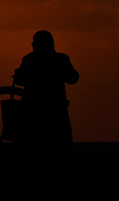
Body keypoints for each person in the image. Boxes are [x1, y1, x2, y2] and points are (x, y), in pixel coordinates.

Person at [13, 30, 79, 161]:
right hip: (53, 111)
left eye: (35, 42)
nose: (32, 44)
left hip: (35, 111)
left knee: (30, 148)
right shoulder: (61, 59)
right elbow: (73, 78)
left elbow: (19, 81)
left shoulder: (29, 60)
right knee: (60, 147)